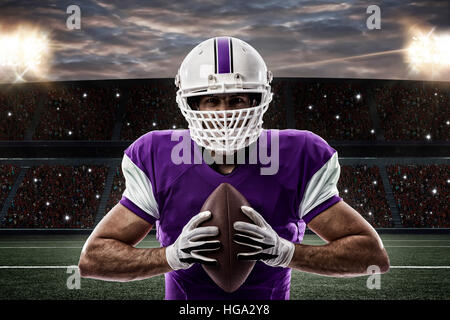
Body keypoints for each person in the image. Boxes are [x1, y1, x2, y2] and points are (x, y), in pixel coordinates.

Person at [78, 36, 389, 300]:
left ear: (259, 99)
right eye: (211, 100)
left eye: (237, 99)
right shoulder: (158, 155)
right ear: (191, 104)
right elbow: (94, 259)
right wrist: (170, 256)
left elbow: (371, 256)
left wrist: (286, 252)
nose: (224, 113)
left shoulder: (298, 154)